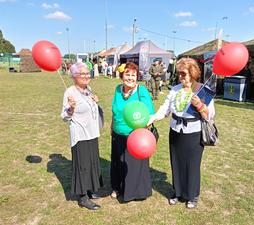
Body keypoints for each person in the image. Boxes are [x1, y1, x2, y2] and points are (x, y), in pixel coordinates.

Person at [148, 58, 215, 209]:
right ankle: (177, 192)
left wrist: (199, 105)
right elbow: (165, 109)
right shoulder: (175, 89)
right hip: (175, 131)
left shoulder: (202, 90)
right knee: (176, 163)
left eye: (183, 74)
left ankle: (192, 195)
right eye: (179, 74)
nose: (181, 77)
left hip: (194, 133)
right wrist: (152, 118)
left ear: (192, 73)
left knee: (192, 165)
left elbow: (209, 115)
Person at [61, 62, 103, 210]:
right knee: (82, 166)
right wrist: (71, 109)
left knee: (92, 163)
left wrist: (96, 102)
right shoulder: (70, 92)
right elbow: (64, 117)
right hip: (80, 135)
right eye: (82, 74)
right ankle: (82, 197)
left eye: (87, 73)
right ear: (74, 77)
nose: (86, 76)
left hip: (92, 133)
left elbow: (91, 107)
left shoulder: (88, 89)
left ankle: (90, 189)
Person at [110, 62, 154, 202]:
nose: (130, 78)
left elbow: (150, 114)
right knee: (118, 163)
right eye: (127, 74)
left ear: (137, 76)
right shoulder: (118, 89)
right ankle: (117, 188)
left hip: (135, 137)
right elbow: (114, 109)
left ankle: (134, 192)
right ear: (122, 76)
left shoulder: (142, 92)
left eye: (133, 75)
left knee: (133, 165)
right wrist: (112, 126)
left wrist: (143, 130)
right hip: (118, 133)